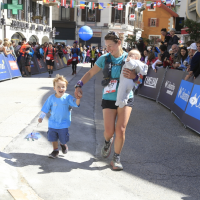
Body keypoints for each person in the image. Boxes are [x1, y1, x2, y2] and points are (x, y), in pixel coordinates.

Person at [74, 31, 142, 170]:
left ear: (119, 43)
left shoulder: (130, 58)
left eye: (111, 45)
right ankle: (107, 141)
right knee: (109, 131)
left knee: (121, 129)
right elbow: (90, 73)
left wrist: (135, 76)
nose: (108, 49)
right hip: (109, 97)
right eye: (106, 46)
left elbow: (140, 79)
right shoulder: (104, 58)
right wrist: (78, 85)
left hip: (125, 97)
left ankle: (116, 158)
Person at [38, 74, 81, 158]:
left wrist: (78, 98)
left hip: (64, 123)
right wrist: (41, 117)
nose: (61, 89)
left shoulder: (68, 97)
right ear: (54, 88)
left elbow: (76, 104)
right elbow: (46, 108)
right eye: (58, 87)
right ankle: (55, 150)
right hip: (52, 123)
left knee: (63, 138)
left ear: (66, 88)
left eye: (63, 87)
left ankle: (63, 144)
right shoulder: (51, 98)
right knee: (53, 138)